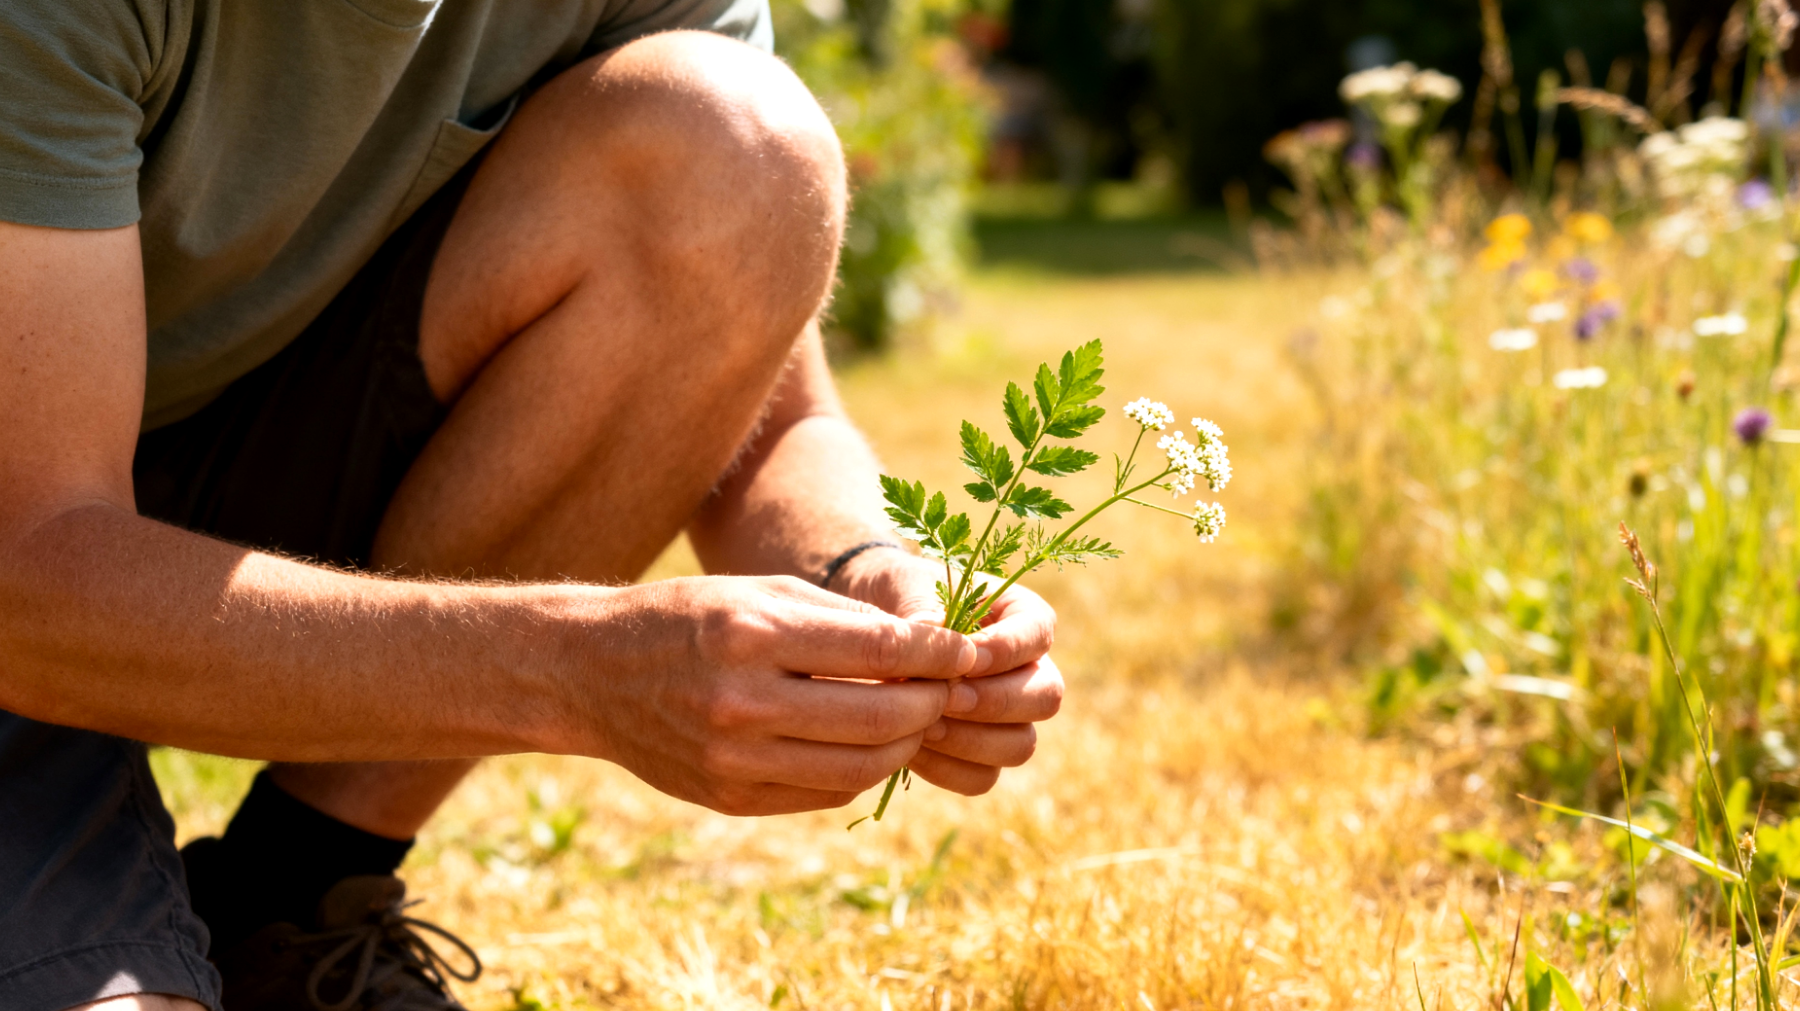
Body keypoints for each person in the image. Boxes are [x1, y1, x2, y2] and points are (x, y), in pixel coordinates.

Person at [0, 2, 1064, 1009]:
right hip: (28, 555)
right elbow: (28, 579)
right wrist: (574, 672)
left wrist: (865, 574)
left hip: (213, 458)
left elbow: (774, 421)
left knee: (740, 149)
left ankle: (297, 901)